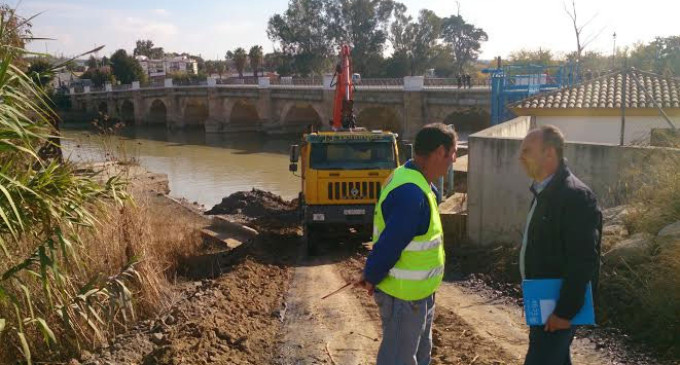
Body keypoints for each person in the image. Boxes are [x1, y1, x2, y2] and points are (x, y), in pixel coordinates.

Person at [356, 123, 457, 365]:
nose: (454, 159)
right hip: (404, 297)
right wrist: (371, 275)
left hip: (419, 294)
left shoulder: (410, 178)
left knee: (420, 355)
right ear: (440, 152)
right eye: (453, 153)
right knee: (398, 359)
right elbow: (391, 242)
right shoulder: (412, 193)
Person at [518, 125, 602, 365]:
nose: (520, 157)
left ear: (549, 154)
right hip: (543, 304)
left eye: (527, 151)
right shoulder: (545, 191)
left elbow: (583, 259)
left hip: (557, 308)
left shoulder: (574, 196)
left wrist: (565, 312)